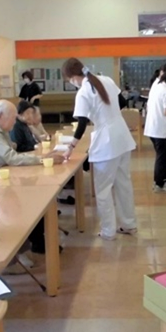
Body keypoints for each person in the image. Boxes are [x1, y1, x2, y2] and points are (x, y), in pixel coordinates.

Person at [0, 100, 64, 256]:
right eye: (12, 117)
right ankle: (29, 243)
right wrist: (42, 160)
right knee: (27, 201)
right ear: (1, 116)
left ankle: (36, 240)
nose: (15, 120)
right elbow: (11, 158)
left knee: (34, 197)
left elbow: (11, 151)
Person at [61, 58, 138, 240]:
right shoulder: (106, 80)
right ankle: (129, 224)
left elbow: (81, 123)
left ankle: (108, 231)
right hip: (122, 137)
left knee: (103, 190)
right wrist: (109, 114)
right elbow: (122, 102)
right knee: (123, 184)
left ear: (72, 77)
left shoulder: (83, 92)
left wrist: (70, 147)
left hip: (106, 143)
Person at [144, 67, 166, 194]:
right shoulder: (164, 90)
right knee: (162, 155)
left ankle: (162, 176)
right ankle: (159, 183)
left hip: (157, 126)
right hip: (159, 127)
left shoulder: (157, 85)